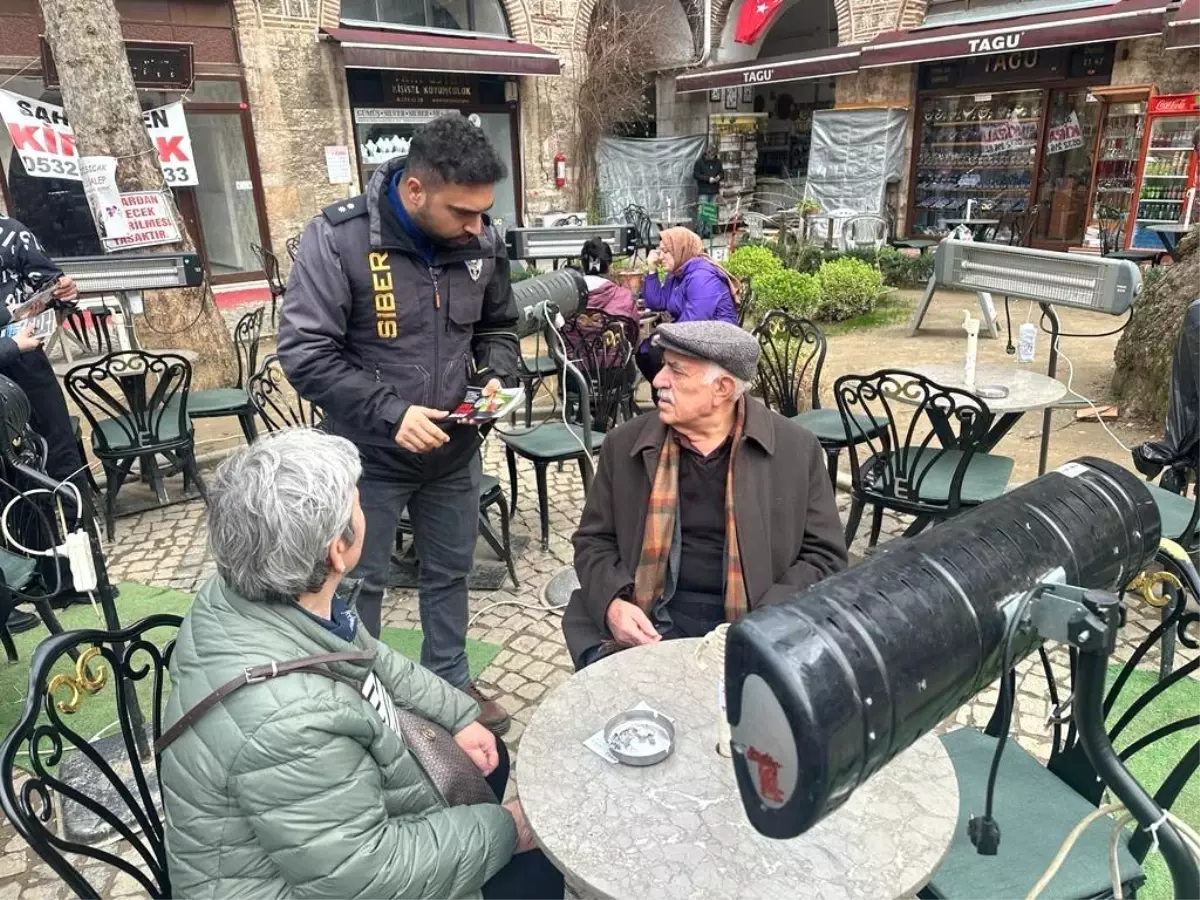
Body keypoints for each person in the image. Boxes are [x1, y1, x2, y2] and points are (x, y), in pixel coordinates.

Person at [160, 429, 565, 900]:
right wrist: (507, 831)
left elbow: (368, 654)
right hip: (311, 880)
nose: (366, 506)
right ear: (338, 548)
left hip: (320, 821)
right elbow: (368, 875)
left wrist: (458, 715)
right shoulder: (288, 724)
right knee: (536, 871)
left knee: (489, 760)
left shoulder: (260, 591)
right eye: (359, 500)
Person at [278, 114, 519, 733]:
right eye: (463, 213)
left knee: (451, 573)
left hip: (455, 451)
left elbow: (497, 327)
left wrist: (495, 373)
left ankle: (450, 687)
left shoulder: (483, 242)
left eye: (484, 213)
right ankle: (366, 702)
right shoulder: (339, 239)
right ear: (415, 192)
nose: (478, 227)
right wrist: (391, 413)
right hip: (367, 458)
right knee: (360, 583)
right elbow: (305, 353)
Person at [563, 321, 848, 669]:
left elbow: (825, 557)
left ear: (723, 389)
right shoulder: (624, 445)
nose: (658, 381)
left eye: (676, 371)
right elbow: (593, 541)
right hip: (649, 613)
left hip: (756, 613)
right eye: (663, 366)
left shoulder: (795, 450)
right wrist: (612, 604)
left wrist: (763, 623)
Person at [0, 214, 83, 633]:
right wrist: (7, 343)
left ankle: (72, 577)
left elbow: (52, 288)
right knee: (9, 481)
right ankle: (20, 585)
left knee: (59, 460)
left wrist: (65, 292)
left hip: (29, 369)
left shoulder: (11, 233)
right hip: (6, 360)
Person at [636, 226, 739, 385]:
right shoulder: (678, 273)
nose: (660, 256)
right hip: (693, 335)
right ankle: (669, 396)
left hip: (716, 342)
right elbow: (657, 302)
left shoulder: (702, 276)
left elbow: (695, 320)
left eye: (665, 251)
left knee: (654, 354)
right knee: (643, 351)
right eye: (660, 250)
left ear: (680, 249)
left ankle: (675, 397)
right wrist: (651, 270)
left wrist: (663, 336)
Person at [578, 237, 637, 322]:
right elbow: (633, 330)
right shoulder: (624, 297)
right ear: (610, 266)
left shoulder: (568, 298)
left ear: (582, 265)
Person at [692, 144, 723, 238]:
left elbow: (722, 173)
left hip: (714, 190)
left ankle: (708, 232)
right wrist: (707, 179)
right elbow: (696, 175)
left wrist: (719, 177)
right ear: (706, 154)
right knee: (702, 213)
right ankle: (699, 232)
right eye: (711, 156)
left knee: (710, 212)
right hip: (703, 190)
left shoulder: (717, 162)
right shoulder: (699, 162)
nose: (712, 158)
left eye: (713, 156)